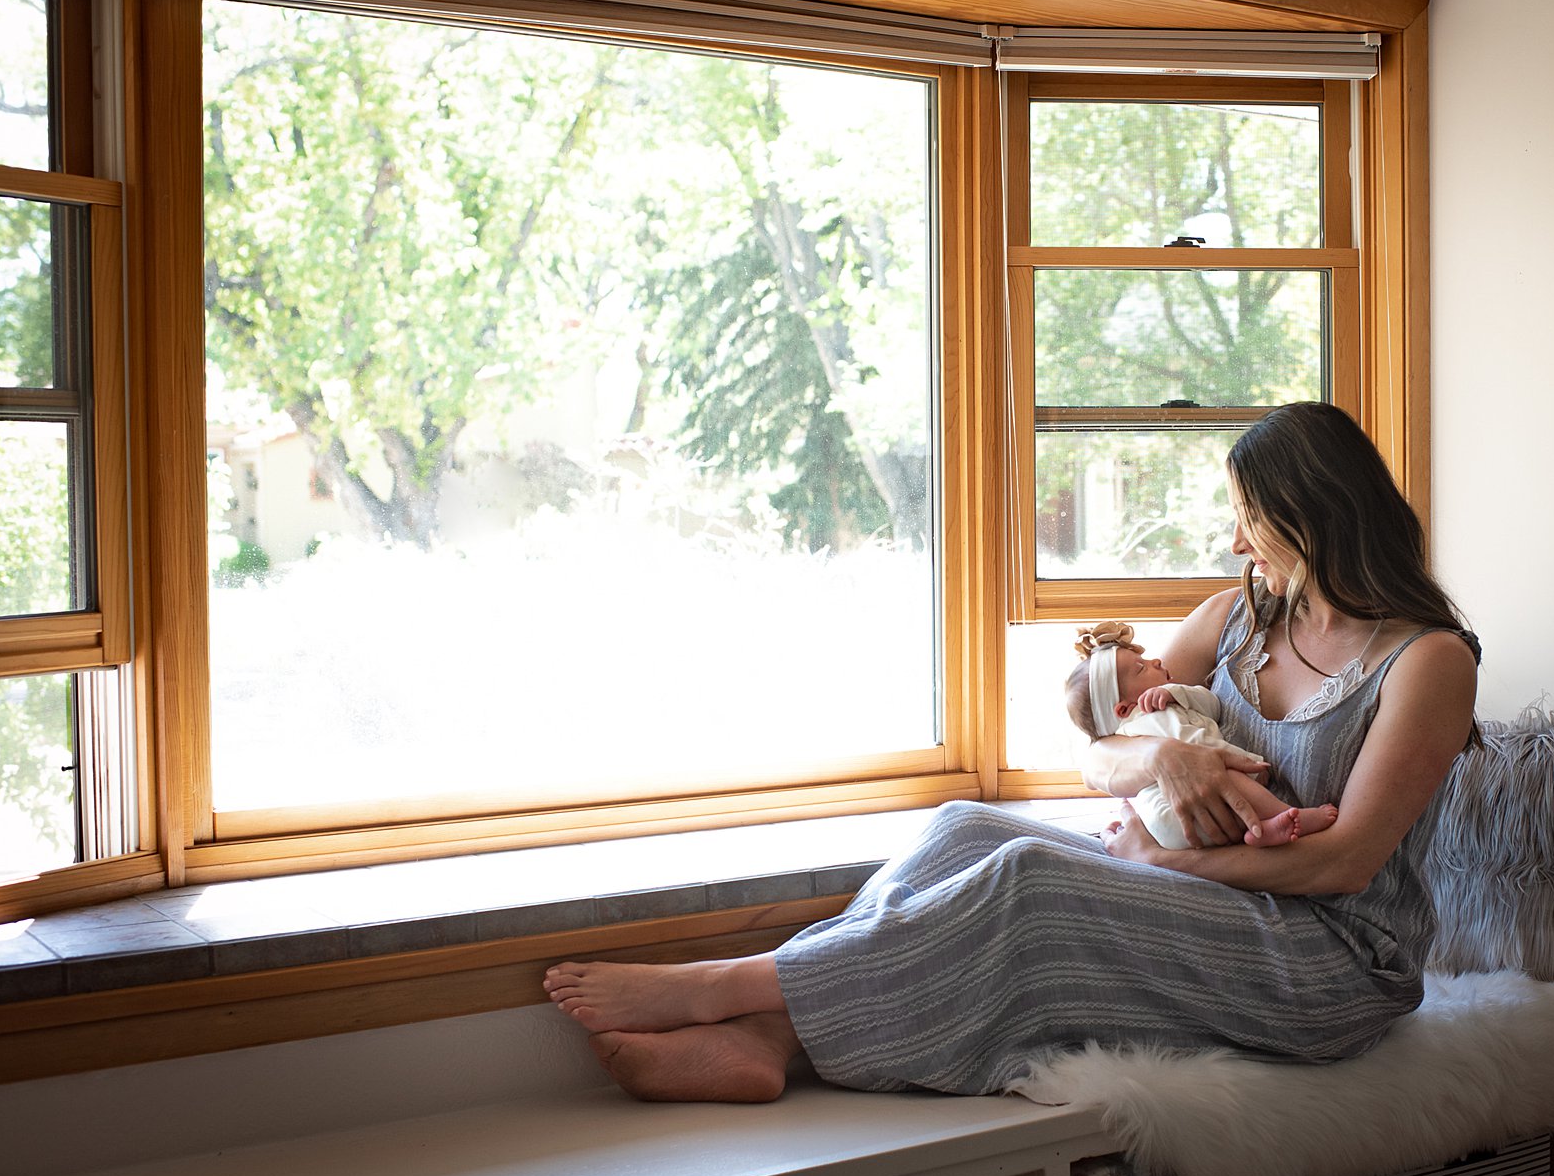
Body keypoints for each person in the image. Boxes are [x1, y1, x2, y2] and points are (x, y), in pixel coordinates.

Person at [544, 401, 1480, 1105]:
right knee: (960, 828)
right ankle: (773, 1038)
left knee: (1029, 878)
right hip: (1216, 896)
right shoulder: (1237, 617)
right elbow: (1097, 752)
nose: (1233, 539)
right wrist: (1162, 764)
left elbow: (1348, 858)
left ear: (1316, 512)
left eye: (1251, 516)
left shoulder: (1426, 660)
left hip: (1331, 959)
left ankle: (729, 991)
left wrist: (1162, 854)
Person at [1063, 618, 1335, 849]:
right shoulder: (1150, 719)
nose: (1156, 660)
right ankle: (1284, 816)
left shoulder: (1160, 709)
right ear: (1123, 709)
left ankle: (1259, 831)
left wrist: (1175, 693)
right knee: (1223, 774)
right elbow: (1198, 753)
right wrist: (1248, 763)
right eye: (1141, 668)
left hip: (1166, 827)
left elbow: (1212, 705)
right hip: (1171, 815)